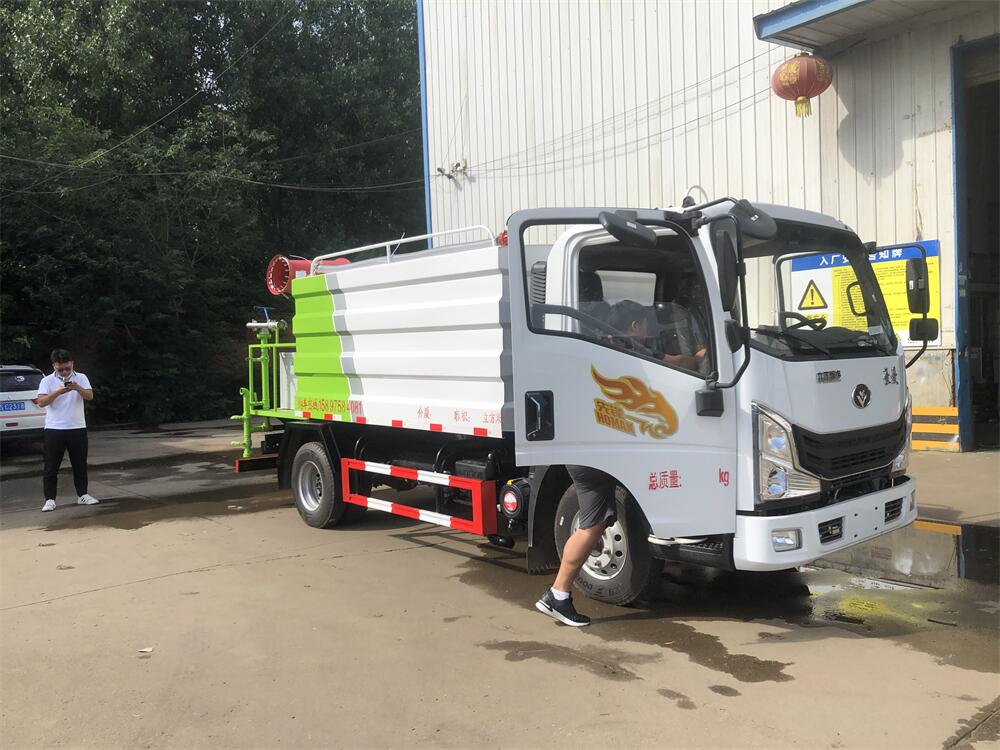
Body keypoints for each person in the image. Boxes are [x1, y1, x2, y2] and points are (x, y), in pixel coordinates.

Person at [535, 465, 617, 626]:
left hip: (585, 460)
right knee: (591, 528)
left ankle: (558, 593)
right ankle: (558, 594)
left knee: (592, 526)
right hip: (592, 462)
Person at [36, 349, 98, 512]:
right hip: (54, 428)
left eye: (67, 368)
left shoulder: (81, 377)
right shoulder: (47, 381)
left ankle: (82, 494)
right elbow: (41, 402)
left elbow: (89, 396)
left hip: (77, 427)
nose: (64, 372)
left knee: (80, 464)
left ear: (72, 364)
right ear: (54, 366)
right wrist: (57, 392)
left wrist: (77, 388)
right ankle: (50, 499)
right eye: (60, 369)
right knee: (51, 465)